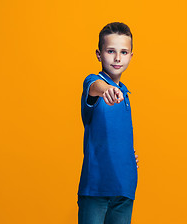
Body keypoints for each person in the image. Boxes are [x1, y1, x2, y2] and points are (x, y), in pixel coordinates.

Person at [77, 22, 139, 224]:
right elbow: (95, 86)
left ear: (131, 55)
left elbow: (116, 135)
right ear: (99, 54)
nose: (118, 58)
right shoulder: (94, 83)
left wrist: (127, 157)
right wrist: (107, 91)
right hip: (96, 189)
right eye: (111, 51)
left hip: (125, 188)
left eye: (124, 51)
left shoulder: (127, 95)